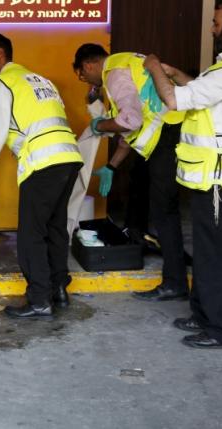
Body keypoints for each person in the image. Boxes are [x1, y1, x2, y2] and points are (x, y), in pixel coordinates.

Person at [145, 0, 222, 349]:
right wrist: (179, 74)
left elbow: (173, 100)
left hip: (221, 178)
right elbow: (205, 92)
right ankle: (203, 314)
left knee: (217, 255)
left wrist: (154, 66)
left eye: (216, 22)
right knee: (210, 249)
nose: (213, 28)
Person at [0, 33, 83, 319]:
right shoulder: (39, 80)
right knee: (56, 228)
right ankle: (58, 290)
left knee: (32, 234)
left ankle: (39, 300)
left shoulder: (2, 84)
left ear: (0, 55)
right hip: (69, 157)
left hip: (44, 162)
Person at [72, 44, 189, 302]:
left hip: (167, 139)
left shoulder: (114, 74)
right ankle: (175, 276)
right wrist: (112, 166)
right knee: (159, 206)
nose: (85, 80)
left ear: (89, 65)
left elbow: (131, 120)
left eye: (82, 74)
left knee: (165, 213)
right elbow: (132, 131)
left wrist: (100, 125)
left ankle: (175, 283)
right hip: (166, 137)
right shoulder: (126, 66)